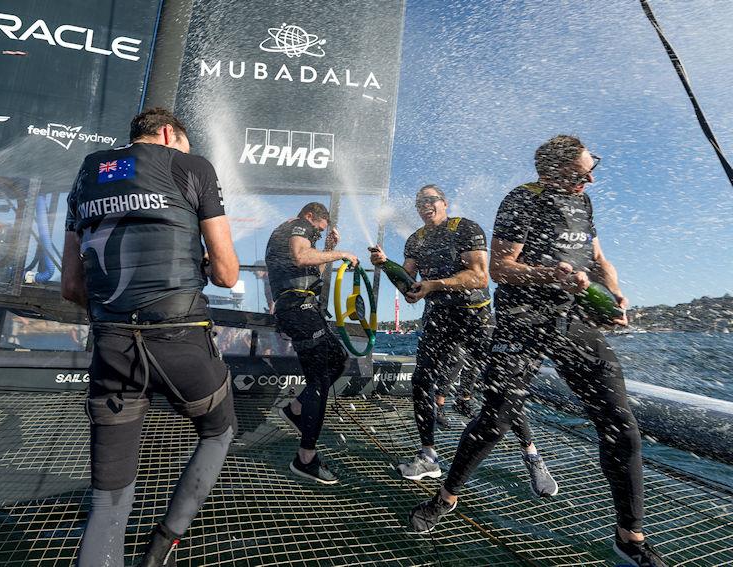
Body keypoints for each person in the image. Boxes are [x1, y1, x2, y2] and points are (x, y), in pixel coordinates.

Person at [408, 136, 666, 567]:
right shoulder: (520, 201)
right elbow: (502, 268)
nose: (590, 178)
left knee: (620, 425)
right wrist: (552, 274)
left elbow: (599, 259)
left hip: (574, 319)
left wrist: (615, 294)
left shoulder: (583, 203)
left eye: (591, 169)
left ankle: (630, 539)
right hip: (523, 322)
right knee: (495, 419)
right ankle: (446, 497)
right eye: (583, 172)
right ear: (555, 170)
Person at [61, 108, 239, 567]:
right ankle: (164, 542)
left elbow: (72, 288)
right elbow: (225, 273)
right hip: (181, 343)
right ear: (167, 134)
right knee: (218, 433)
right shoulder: (192, 166)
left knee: (108, 502)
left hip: (111, 349)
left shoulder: (86, 174)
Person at [370, 185, 556, 497]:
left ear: (444, 203)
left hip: (476, 318)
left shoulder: (465, 228)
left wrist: (433, 284)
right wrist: (386, 265)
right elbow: (409, 288)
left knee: (501, 388)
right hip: (438, 319)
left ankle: (532, 455)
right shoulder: (415, 239)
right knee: (420, 382)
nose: (424, 205)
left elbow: (481, 276)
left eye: (430, 200)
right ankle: (428, 455)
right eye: (419, 201)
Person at [266, 203, 358, 484]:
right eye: (319, 230)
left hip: (300, 307)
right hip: (298, 309)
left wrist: (327, 248)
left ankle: (295, 409)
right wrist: (341, 252)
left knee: (337, 360)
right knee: (320, 377)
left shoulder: (286, 232)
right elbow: (300, 256)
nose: (316, 235)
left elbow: (307, 260)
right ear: (310, 217)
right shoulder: (299, 225)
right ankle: (305, 458)